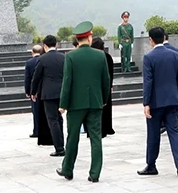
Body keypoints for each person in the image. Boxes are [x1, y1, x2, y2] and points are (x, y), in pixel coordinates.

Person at [56, 22, 111, 183]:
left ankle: (68, 169)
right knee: (95, 138)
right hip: (95, 102)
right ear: (89, 37)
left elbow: (67, 82)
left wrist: (63, 104)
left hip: (75, 104)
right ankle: (95, 173)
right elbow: (105, 80)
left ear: (78, 39)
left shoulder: (70, 56)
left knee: (72, 137)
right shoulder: (100, 55)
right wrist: (104, 99)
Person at [139, 26, 178, 177]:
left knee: (153, 134)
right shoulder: (174, 55)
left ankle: (151, 165)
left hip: (155, 103)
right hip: (172, 100)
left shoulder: (149, 58)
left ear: (151, 40)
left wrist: (146, 103)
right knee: (174, 132)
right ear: (164, 38)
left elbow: (148, 82)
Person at [30, 35, 66, 155]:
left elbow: (36, 77)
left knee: (53, 120)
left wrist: (33, 92)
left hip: (48, 94)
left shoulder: (42, 59)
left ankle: (59, 148)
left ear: (45, 46)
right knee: (59, 119)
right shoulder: (63, 57)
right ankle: (62, 144)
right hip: (62, 92)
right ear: (56, 45)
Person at [91, 37, 116, 137]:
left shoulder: (94, 57)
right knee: (107, 108)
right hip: (106, 85)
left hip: (97, 86)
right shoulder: (108, 57)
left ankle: (100, 129)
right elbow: (111, 73)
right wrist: (110, 85)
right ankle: (108, 127)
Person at [24, 43, 43, 138]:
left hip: (34, 92)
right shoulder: (44, 60)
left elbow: (27, 78)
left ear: (32, 52)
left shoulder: (29, 63)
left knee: (36, 112)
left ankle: (37, 131)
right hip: (44, 90)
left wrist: (28, 91)